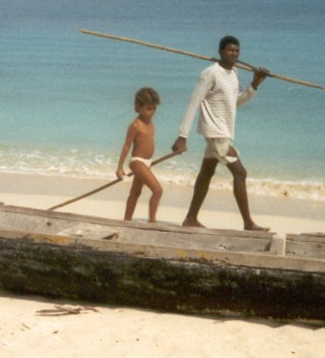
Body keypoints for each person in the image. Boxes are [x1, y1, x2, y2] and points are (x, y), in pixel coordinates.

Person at [172, 36, 270, 230]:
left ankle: (191, 218)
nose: (234, 54)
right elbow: (194, 102)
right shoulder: (210, 73)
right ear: (220, 52)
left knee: (206, 173)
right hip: (215, 131)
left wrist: (255, 84)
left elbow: (236, 102)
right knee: (240, 173)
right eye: (230, 50)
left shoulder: (234, 73)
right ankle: (248, 223)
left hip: (225, 130)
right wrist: (182, 136)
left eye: (237, 51)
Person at [116, 86, 164, 223]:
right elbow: (126, 146)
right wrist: (120, 168)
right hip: (137, 162)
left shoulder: (150, 123)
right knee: (157, 190)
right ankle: (152, 222)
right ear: (138, 106)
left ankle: (126, 221)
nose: (152, 112)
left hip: (147, 163)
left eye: (154, 109)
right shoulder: (135, 125)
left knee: (135, 192)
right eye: (148, 109)